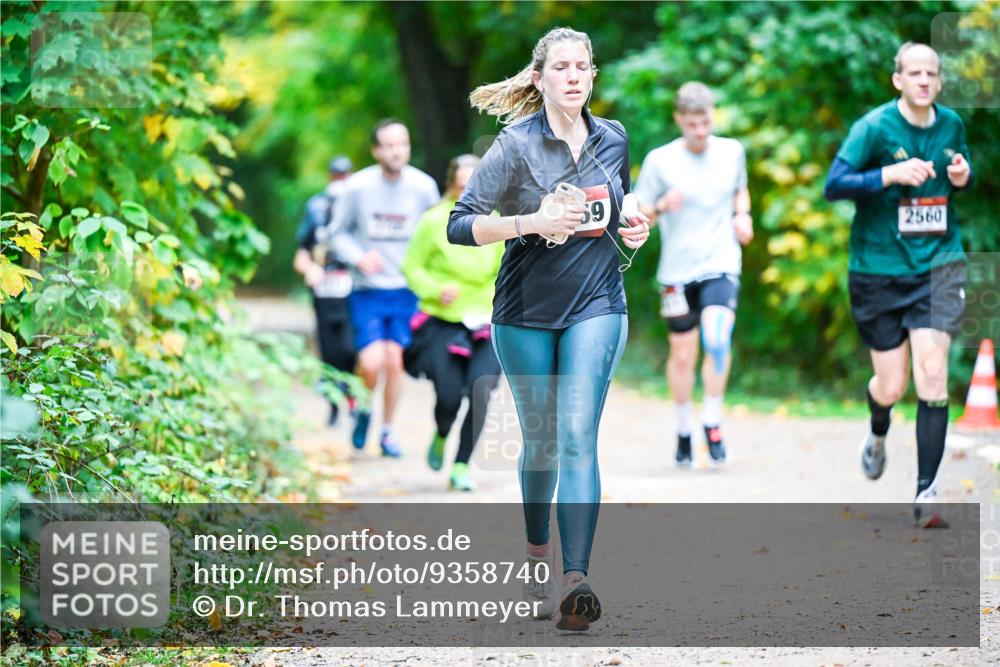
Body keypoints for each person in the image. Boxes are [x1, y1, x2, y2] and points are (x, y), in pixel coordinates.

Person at [448, 27, 650, 631]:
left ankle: (576, 580)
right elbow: (461, 226)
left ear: (592, 75)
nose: (573, 76)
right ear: (539, 79)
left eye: (582, 67)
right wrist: (529, 220)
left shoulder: (613, 138)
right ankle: (539, 559)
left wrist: (632, 223)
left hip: (597, 301)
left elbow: (618, 201)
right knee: (541, 443)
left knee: (576, 432)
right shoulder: (515, 145)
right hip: (525, 312)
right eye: (560, 67)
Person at [824, 42, 973, 528]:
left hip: (938, 265)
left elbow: (960, 174)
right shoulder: (873, 127)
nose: (925, 80)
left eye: (932, 72)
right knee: (893, 383)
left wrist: (961, 174)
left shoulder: (951, 125)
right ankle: (878, 428)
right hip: (878, 269)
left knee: (932, 372)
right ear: (898, 80)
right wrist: (889, 174)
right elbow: (835, 185)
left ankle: (928, 493)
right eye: (915, 72)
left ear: (939, 80)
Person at [633, 82, 753, 468]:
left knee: (717, 340)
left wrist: (743, 215)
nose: (700, 132)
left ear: (712, 116)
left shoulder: (732, 151)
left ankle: (713, 423)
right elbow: (640, 217)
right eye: (691, 124)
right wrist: (661, 206)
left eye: (705, 122)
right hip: (676, 272)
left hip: (720, 262)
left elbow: (741, 190)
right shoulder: (659, 161)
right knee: (682, 355)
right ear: (679, 121)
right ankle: (684, 429)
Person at [330, 120, 440, 457]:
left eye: (402, 144)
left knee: (395, 362)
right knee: (372, 361)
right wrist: (358, 257)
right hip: (368, 290)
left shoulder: (423, 188)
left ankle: (388, 431)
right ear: (376, 150)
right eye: (389, 145)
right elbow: (336, 233)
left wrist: (433, 276)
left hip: (406, 289)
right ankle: (364, 409)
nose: (397, 151)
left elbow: (436, 232)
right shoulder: (358, 187)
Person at [402, 154, 504, 491]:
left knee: (481, 391)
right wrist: (434, 289)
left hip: (486, 322)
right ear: (451, 185)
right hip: (443, 320)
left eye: (473, 187)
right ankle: (443, 433)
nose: (467, 193)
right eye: (461, 187)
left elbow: (508, 271)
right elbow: (412, 267)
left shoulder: (497, 222)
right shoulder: (433, 220)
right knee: (448, 397)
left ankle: (461, 465)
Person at [293, 156, 357, 426]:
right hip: (324, 290)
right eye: (336, 175)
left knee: (351, 347)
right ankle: (332, 407)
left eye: (345, 175)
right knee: (329, 351)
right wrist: (309, 269)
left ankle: (354, 400)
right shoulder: (316, 207)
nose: (340, 181)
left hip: (353, 289)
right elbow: (301, 252)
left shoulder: (358, 204)